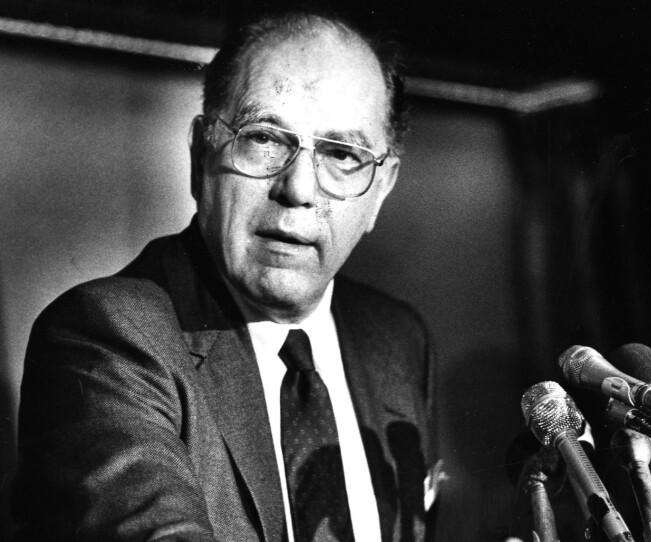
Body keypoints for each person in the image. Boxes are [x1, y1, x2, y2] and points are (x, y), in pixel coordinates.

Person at [12, 8, 438, 542]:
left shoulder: (398, 339)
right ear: (200, 155)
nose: (300, 189)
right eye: (264, 138)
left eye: (343, 155)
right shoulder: (106, 335)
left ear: (381, 190)